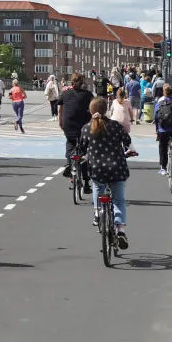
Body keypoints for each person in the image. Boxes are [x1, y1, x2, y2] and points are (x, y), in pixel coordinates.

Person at [76, 96, 133, 248]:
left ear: (90, 111)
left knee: (97, 186)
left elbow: (81, 148)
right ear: (106, 110)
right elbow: (127, 142)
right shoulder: (115, 126)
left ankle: (97, 212)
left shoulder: (87, 128)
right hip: (117, 168)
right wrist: (130, 151)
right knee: (119, 200)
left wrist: (82, 156)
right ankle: (120, 229)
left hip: (97, 169)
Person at [59, 72, 94, 185]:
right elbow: (93, 109)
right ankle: (86, 181)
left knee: (70, 142)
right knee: (84, 150)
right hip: (84, 126)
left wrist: (61, 122)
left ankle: (69, 164)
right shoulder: (88, 95)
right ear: (82, 83)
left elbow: (60, 109)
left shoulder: (65, 94)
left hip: (68, 124)